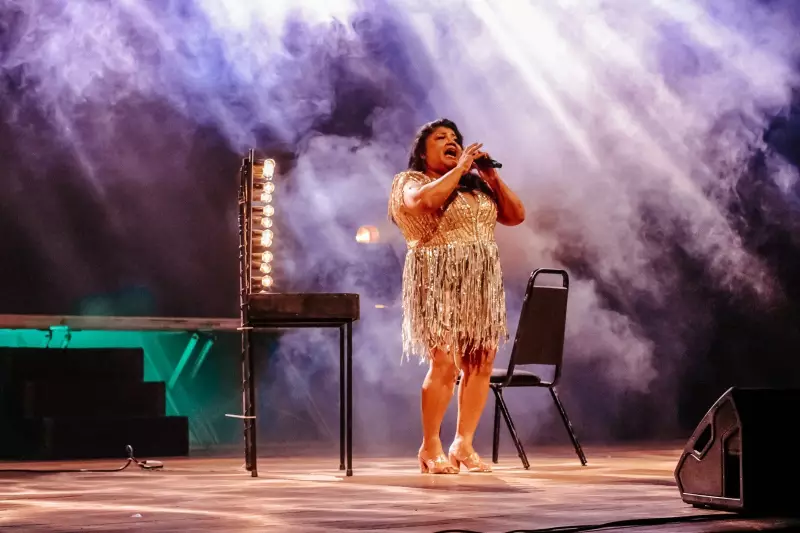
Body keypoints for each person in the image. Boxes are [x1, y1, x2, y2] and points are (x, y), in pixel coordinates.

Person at [388, 118, 526, 474]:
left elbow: (516, 216)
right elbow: (424, 202)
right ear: (423, 151)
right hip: (437, 276)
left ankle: (463, 443)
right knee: (445, 361)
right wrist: (461, 167)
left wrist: (491, 177)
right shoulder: (410, 181)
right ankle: (430, 445)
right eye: (441, 137)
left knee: (481, 360)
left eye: (455, 137)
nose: (452, 141)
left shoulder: (476, 185)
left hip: (480, 280)